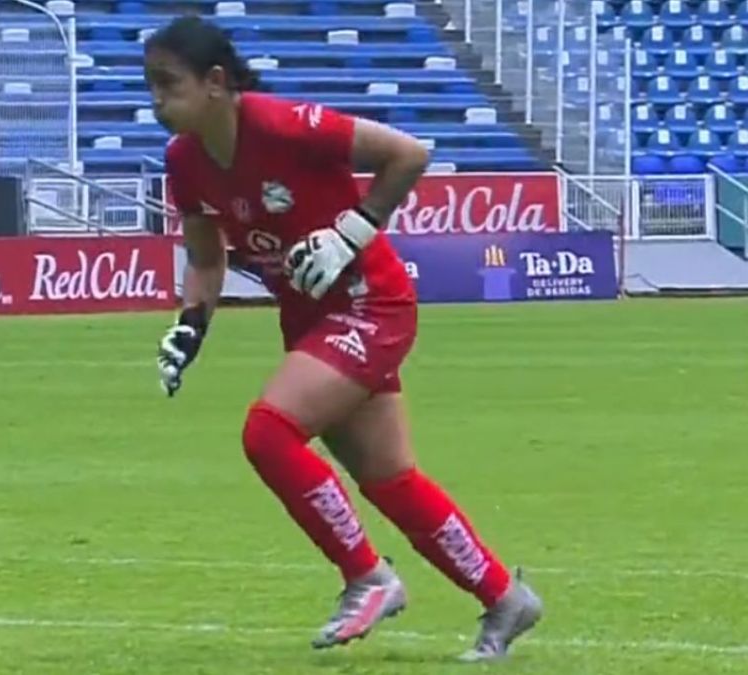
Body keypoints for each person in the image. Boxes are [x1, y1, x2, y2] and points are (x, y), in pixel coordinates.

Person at [148, 16, 542, 661]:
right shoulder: (183, 162)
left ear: (216, 82)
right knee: (390, 479)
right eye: (151, 87)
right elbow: (207, 260)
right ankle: (505, 599)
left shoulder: (280, 125)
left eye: (168, 85)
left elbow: (408, 153)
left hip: (370, 304)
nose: (157, 102)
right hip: (309, 319)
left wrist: (351, 231)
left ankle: (367, 576)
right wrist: (190, 328)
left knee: (268, 433)